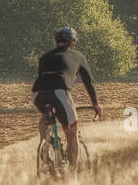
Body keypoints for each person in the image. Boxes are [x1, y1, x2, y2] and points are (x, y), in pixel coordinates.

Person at [32, 26, 101, 170]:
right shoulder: (78, 56)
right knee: (72, 133)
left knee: (47, 115)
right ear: (73, 43)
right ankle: (73, 176)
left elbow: (44, 78)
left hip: (38, 93)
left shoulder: (45, 57)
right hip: (60, 92)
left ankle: (45, 146)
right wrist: (95, 103)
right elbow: (88, 81)